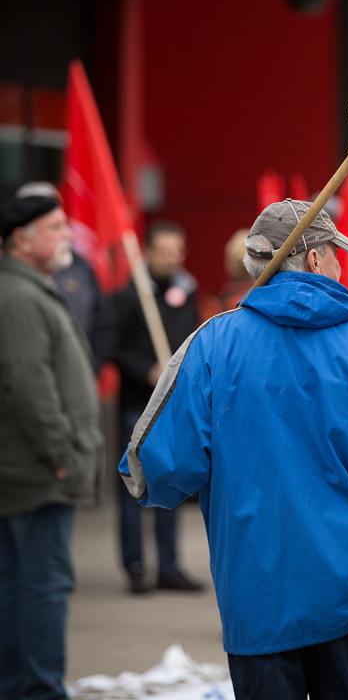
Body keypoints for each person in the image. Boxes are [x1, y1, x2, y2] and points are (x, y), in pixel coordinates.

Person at [119, 199, 348, 700]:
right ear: (315, 260)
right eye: (335, 253)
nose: (342, 265)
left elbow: (153, 470)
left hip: (257, 598)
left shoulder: (212, 345)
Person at [0, 193, 102, 700]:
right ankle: (36, 691)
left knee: (24, 587)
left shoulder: (28, 290)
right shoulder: (18, 296)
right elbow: (27, 385)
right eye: (55, 226)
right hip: (38, 476)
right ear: (21, 239)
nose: (67, 234)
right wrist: (63, 454)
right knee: (40, 590)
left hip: (35, 472)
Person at [113, 220, 204, 594]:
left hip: (172, 407)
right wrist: (146, 370)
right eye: (165, 252)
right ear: (149, 252)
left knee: (170, 481)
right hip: (137, 404)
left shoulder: (187, 290)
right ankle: (136, 566)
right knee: (132, 488)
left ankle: (169, 566)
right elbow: (114, 349)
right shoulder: (129, 295)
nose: (172, 259)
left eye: (177, 252)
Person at [15, 181, 114, 373]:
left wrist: (88, 369)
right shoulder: (8, 276)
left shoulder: (81, 267)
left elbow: (104, 324)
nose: (65, 233)